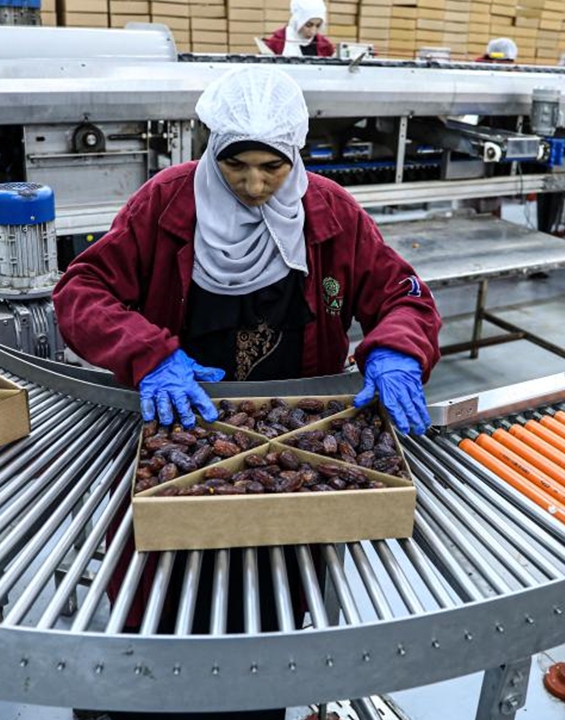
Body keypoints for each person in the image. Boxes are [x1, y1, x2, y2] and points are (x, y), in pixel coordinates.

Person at [55, 66, 440, 720]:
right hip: (179, 435)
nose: (255, 186)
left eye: (273, 167)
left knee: (272, 622)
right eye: (237, 166)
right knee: (159, 616)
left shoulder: (331, 214)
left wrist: (399, 348)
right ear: (212, 151)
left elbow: (401, 295)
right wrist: (148, 354)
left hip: (290, 457)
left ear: (296, 155)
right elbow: (82, 292)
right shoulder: (167, 204)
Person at [264, 0, 334, 57]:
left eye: (318, 26)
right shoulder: (279, 41)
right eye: (308, 25)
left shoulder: (324, 45)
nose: (313, 31)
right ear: (298, 22)